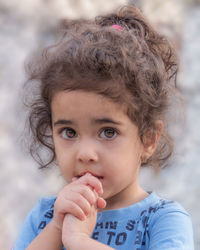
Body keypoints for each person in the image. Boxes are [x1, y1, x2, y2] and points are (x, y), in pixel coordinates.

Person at [13, 5, 194, 250]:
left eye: (108, 132)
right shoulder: (46, 216)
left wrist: (78, 241)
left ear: (148, 139)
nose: (85, 153)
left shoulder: (163, 220)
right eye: (69, 132)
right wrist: (57, 228)